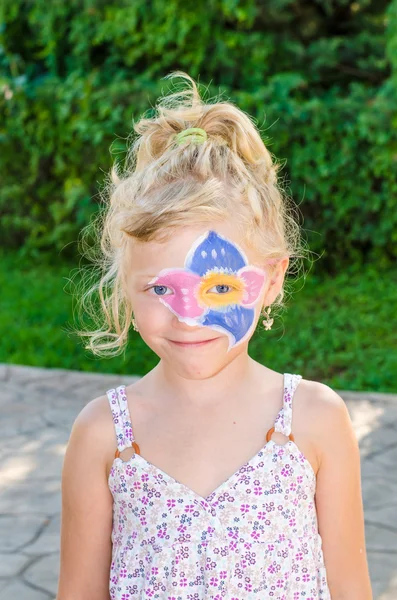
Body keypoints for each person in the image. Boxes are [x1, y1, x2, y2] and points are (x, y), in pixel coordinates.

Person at [56, 71, 372, 600]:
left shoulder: (314, 421)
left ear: (270, 279)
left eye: (220, 287)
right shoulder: (104, 436)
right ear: (125, 291)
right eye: (160, 289)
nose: (188, 316)